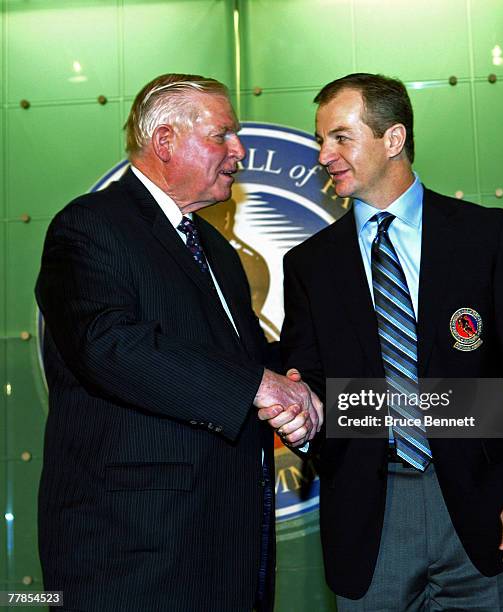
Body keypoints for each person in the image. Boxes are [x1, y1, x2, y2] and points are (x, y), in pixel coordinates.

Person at [276, 73, 503, 611]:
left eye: (340, 137)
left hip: (486, 516)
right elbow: (310, 382)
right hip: (370, 517)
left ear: (393, 139)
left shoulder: (485, 237)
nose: (324, 155)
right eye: (321, 140)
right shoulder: (309, 265)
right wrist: (301, 409)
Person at [35, 73, 322, 612]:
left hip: (224, 554)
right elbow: (107, 344)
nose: (239, 150)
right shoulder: (89, 225)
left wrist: (304, 379)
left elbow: (243, 362)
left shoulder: (213, 246)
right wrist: (259, 385)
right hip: (132, 560)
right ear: (164, 141)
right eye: (222, 135)